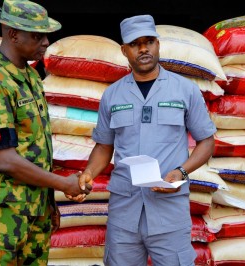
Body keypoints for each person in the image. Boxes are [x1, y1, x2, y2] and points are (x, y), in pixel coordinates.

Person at [74, 14, 217, 266]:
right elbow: (104, 146)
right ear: (124, 50)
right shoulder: (112, 95)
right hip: (124, 212)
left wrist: (182, 171)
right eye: (134, 43)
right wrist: (88, 173)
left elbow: (207, 141)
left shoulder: (185, 90)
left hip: (169, 212)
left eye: (149, 41)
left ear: (158, 45)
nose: (143, 49)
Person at [0, 1, 91, 265]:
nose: (46, 42)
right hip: (5, 211)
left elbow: (37, 148)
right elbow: (7, 161)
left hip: (35, 208)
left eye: (46, 35)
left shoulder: (31, 77)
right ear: (13, 34)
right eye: (37, 35)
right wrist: (63, 184)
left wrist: (50, 203)